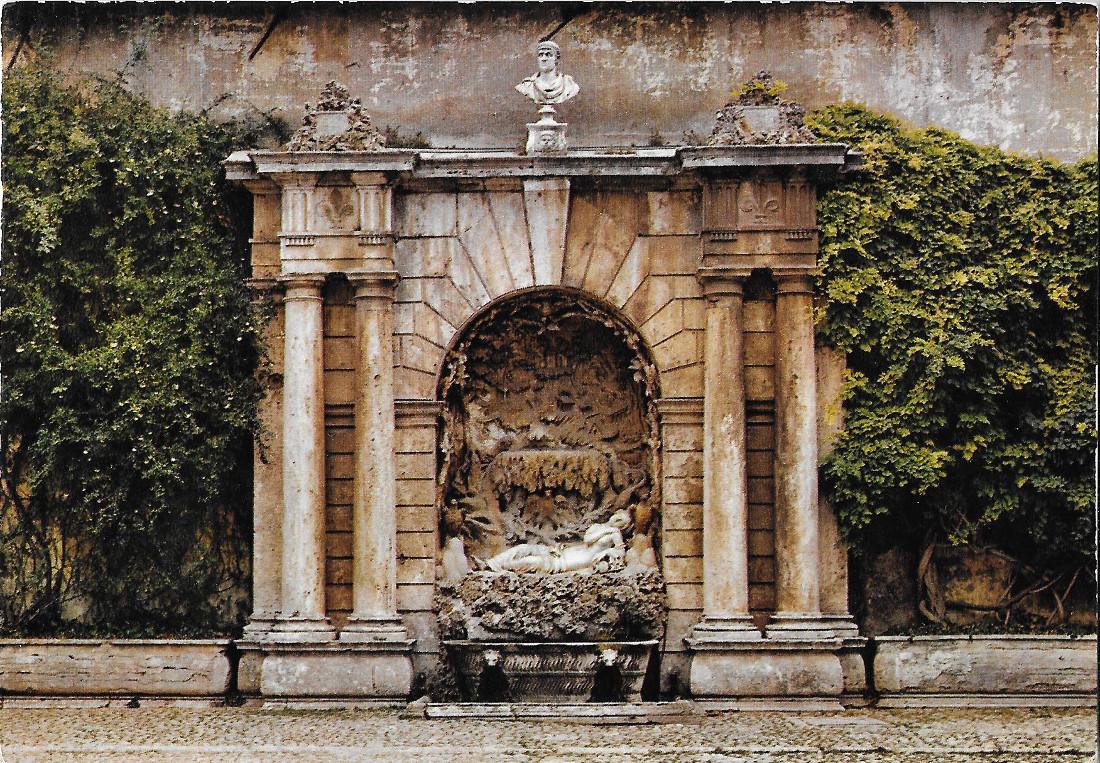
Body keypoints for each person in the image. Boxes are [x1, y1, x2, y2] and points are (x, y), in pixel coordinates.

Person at [482, 509, 630, 573]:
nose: (616, 521)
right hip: (562, 551)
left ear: (623, 527)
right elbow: (587, 539)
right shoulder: (600, 528)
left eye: (620, 522)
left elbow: (620, 553)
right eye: (617, 517)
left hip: (564, 564)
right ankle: (491, 563)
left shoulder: (615, 534)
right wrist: (608, 529)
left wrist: (609, 549)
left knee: (532, 561)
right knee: (523, 547)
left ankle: (499, 569)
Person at [515, 41, 580, 106]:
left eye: (548, 54)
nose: (544, 59)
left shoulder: (569, 85)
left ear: (556, 59)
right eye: (540, 55)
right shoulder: (527, 86)